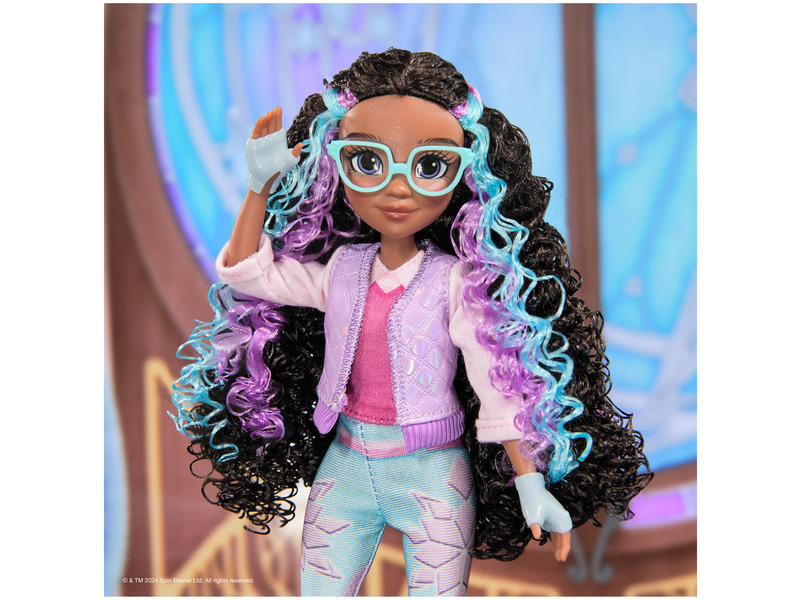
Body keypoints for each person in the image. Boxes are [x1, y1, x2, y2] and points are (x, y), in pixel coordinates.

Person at [172, 49, 651, 596]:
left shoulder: (454, 282)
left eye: (429, 166)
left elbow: (496, 386)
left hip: (433, 475)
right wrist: (258, 188)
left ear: (464, 174)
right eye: (367, 160)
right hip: (346, 462)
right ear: (335, 164)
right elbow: (248, 273)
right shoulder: (341, 271)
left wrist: (530, 482)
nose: (398, 188)